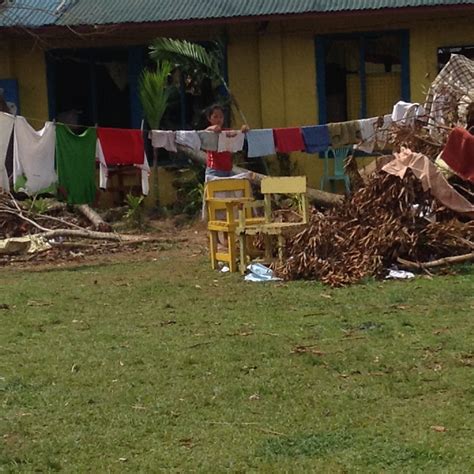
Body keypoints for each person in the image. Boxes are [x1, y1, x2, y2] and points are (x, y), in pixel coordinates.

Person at [204, 104, 248, 180]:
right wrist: (212, 128)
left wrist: (243, 131)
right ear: (209, 118)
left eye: (221, 117)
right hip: (214, 170)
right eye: (215, 117)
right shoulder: (209, 133)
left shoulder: (227, 132)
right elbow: (203, 134)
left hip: (228, 170)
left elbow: (238, 136)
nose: (219, 119)